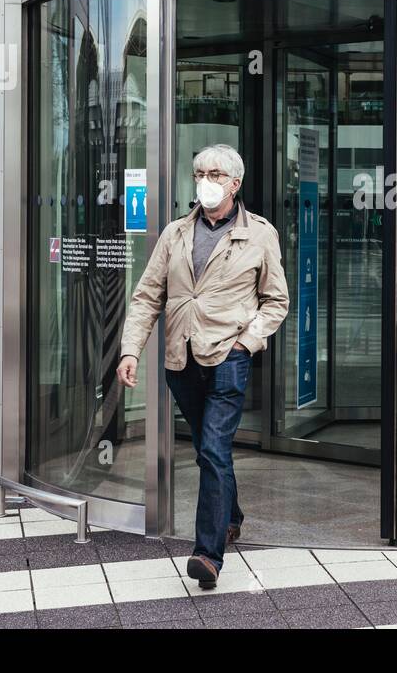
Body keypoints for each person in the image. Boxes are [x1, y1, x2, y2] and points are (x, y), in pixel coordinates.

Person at [116, 144, 289, 588]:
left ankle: (207, 555)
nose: (205, 181)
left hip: (229, 357)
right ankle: (230, 514)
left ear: (235, 184)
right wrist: (131, 350)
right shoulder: (175, 233)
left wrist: (247, 343)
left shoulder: (259, 234)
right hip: (181, 359)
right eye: (200, 173)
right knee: (208, 450)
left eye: (215, 174)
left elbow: (276, 301)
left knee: (213, 450)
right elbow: (147, 296)